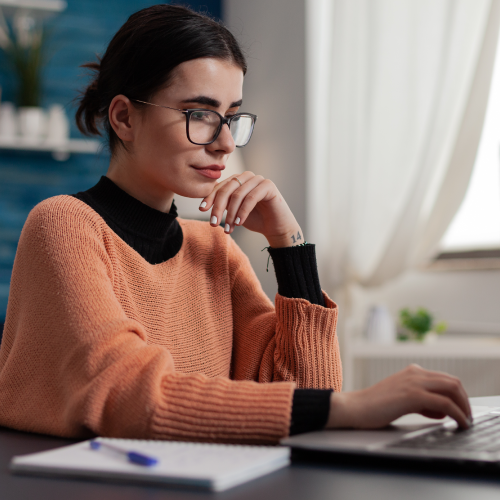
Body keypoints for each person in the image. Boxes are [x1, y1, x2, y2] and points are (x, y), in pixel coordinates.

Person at [0, 4, 471, 443]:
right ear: (124, 117)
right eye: (201, 114)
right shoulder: (64, 224)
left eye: (232, 117)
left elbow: (307, 386)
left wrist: (288, 244)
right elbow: (128, 395)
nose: (225, 143)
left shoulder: (214, 249)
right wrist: (351, 407)